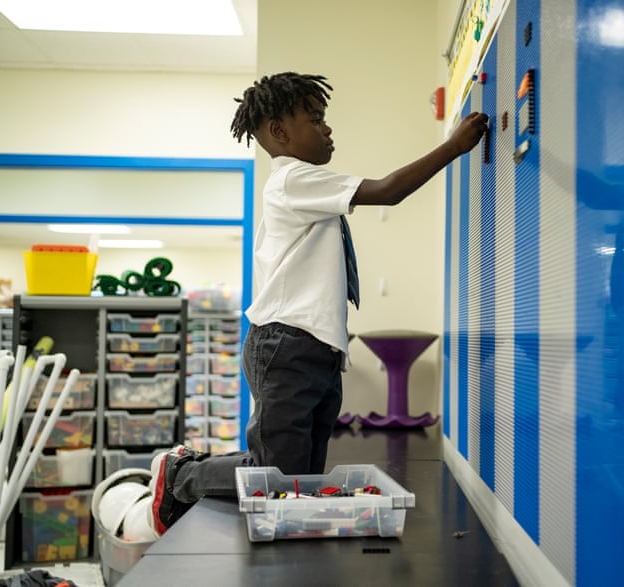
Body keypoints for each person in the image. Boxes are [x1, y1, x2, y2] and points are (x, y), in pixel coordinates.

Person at [147, 71, 488, 535]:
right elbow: (388, 189)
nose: (327, 129)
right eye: (315, 119)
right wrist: (453, 146)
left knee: (300, 483)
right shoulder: (293, 179)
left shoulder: (309, 187)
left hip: (318, 349)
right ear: (279, 132)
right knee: (277, 477)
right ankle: (181, 476)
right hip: (285, 344)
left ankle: (276, 539)